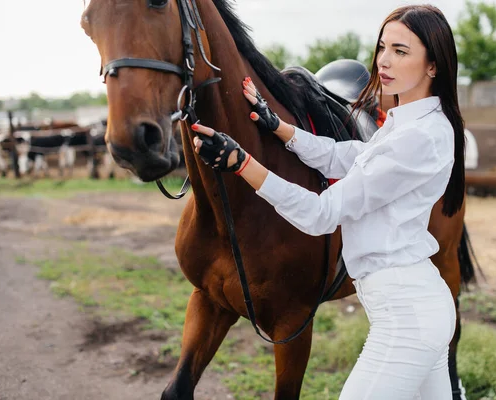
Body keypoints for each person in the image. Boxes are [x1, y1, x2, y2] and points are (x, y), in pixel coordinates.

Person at [191, 4, 465, 399]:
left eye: (401, 51)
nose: (383, 61)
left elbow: (322, 213)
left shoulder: (420, 137)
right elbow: (348, 156)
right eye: (382, 47)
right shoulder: (411, 123)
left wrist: (242, 164)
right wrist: (280, 127)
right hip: (416, 307)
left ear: (433, 65)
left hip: (407, 321)